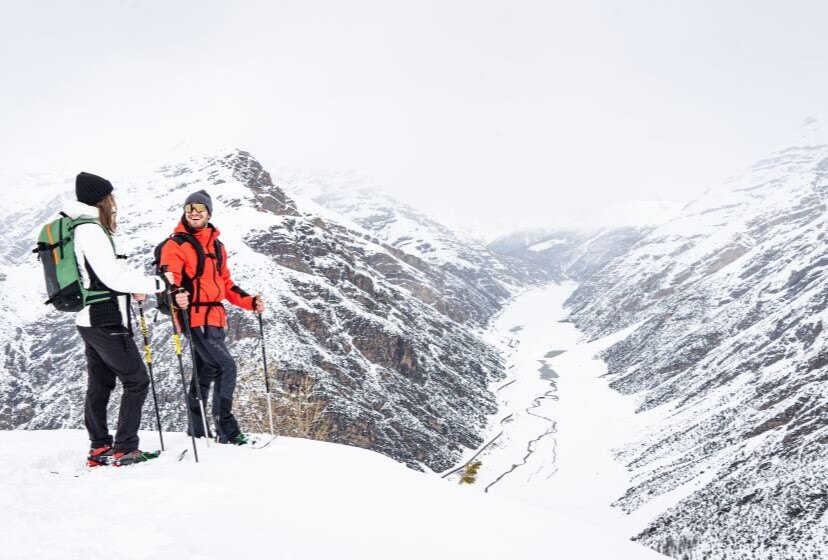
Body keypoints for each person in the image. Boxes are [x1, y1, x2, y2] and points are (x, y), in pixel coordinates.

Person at [66, 172, 173, 466]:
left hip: (89, 319)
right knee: (136, 380)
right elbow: (112, 277)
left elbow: (103, 279)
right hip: (106, 320)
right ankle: (125, 448)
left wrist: (134, 289)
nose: (114, 202)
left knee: (100, 385)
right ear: (101, 199)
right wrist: (158, 282)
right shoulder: (91, 230)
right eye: (110, 196)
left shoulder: (80, 227)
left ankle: (100, 447)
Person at [160, 189, 264, 445]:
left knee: (204, 372)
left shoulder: (217, 246)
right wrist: (176, 295)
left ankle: (196, 430)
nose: (194, 213)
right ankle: (226, 430)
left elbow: (226, 284)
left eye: (199, 209)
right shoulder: (176, 244)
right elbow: (169, 278)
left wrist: (250, 302)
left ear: (208, 213)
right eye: (189, 209)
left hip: (216, 318)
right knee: (225, 367)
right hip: (194, 316)